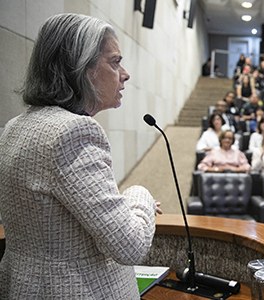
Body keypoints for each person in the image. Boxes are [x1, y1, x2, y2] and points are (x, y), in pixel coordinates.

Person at [0, 14, 163, 299]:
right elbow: (130, 246)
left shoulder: (15, 126)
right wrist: (140, 195)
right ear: (82, 68)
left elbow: (57, 215)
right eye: (115, 62)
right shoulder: (74, 132)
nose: (125, 74)